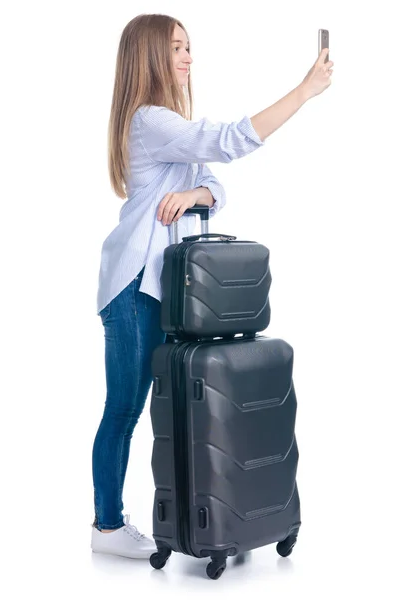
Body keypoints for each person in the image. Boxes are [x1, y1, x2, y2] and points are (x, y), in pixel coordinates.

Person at [91, 13, 334, 559]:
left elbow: (215, 183)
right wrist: (302, 93)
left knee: (163, 405)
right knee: (125, 408)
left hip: (169, 290)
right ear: (151, 55)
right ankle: (106, 526)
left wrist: (197, 195)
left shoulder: (170, 124)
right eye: (177, 48)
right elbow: (228, 142)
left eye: (188, 47)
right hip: (134, 288)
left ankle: (193, 512)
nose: (188, 57)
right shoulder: (151, 120)